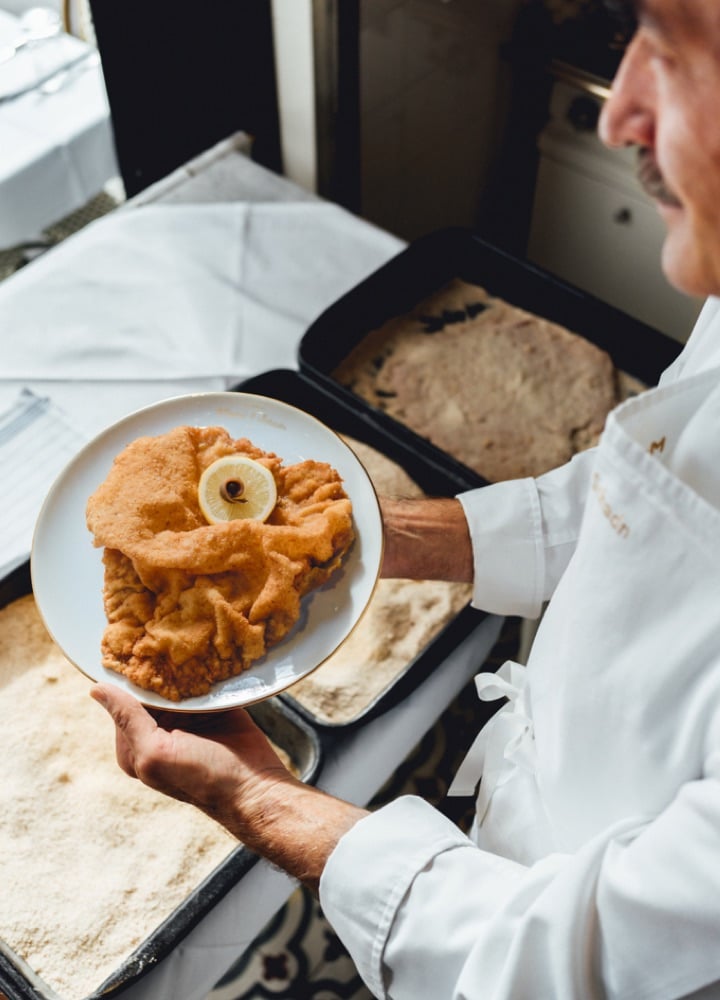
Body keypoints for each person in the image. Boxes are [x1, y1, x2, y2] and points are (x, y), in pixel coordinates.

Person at [91, 1, 720, 996]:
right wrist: (365, 536)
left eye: (680, 55)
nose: (618, 112)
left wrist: (265, 801)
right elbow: (639, 506)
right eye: (625, 41)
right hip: (525, 819)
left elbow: (565, 963)